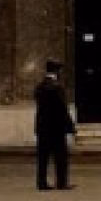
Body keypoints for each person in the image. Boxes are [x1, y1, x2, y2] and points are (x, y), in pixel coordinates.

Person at [34, 59, 75, 191]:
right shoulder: (57, 87)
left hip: (43, 126)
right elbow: (62, 109)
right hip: (56, 127)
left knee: (42, 157)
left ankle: (41, 182)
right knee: (61, 156)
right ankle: (61, 182)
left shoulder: (39, 87)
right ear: (57, 71)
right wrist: (70, 125)